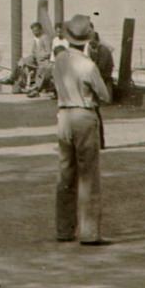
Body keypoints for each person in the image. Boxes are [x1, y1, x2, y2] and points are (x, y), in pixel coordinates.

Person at [53, 14, 111, 246]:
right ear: (87, 39)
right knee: (88, 175)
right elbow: (105, 95)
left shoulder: (59, 61)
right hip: (84, 114)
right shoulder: (88, 65)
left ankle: (64, 229)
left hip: (63, 115)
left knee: (65, 174)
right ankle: (89, 232)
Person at [14, 21, 51, 94]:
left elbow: (49, 52)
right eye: (33, 31)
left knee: (41, 69)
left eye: (36, 31)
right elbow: (33, 52)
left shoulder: (45, 38)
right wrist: (26, 59)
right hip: (35, 59)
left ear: (40, 30)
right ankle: (17, 81)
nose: (34, 32)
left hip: (44, 60)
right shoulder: (35, 39)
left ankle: (35, 89)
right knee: (21, 62)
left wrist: (40, 56)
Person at [87, 29, 116, 102]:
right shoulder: (94, 49)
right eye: (89, 43)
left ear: (97, 41)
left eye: (92, 42)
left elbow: (102, 66)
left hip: (106, 72)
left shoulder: (103, 50)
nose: (90, 44)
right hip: (100, 70)